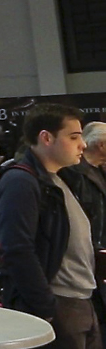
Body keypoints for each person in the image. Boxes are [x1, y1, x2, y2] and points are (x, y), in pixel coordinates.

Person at [0, 103, 99, 349]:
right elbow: (17, 249)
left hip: (81, 299)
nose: (82, 145)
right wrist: (46, 307)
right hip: (58, 302)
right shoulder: (20, 182)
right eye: (73, 137)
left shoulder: (61, 179)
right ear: (46, 138)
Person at [60, 121, 106, 328]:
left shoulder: (97, 171)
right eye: (73, 137)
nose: (81, 144)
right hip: (85, 260)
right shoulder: (73, 174)